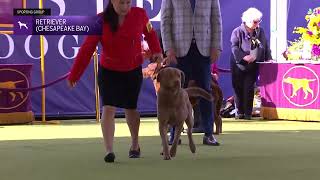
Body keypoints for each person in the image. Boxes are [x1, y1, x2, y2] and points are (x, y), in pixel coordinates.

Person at [67, 0, 162, 163]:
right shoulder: (99, 20)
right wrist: (75, 75)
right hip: (108, 71)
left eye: (128, 3)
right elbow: (87, 49)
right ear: (112, 2)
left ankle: (135, 144)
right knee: (108, 108)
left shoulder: (140, 15)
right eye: (121, 3)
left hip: (132, 70)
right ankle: (109, 150)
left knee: (131, 108)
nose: (125, 7)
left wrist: (157, 51)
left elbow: (151, 33)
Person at [161, 0, 222, 146]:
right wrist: (168, 48)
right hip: (179, 50)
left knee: (206, 91)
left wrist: (216, 46)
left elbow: (216, 19)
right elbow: (165, 21)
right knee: (176, 93)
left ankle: (208, 133)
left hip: (204, 49)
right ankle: (174, 132)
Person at [230, 7, 272, 120]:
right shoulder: (237, 31)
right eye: (255, 22)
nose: (257, 24)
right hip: (238, 64)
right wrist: (244, 56)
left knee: (249, 88)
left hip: (253, 64)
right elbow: (234, 47)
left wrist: (268, 58)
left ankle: (248, 113)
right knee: (238, 88)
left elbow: (265, 45)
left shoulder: (260, 31)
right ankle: (239, 112)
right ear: (247, 21)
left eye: (259, 21)